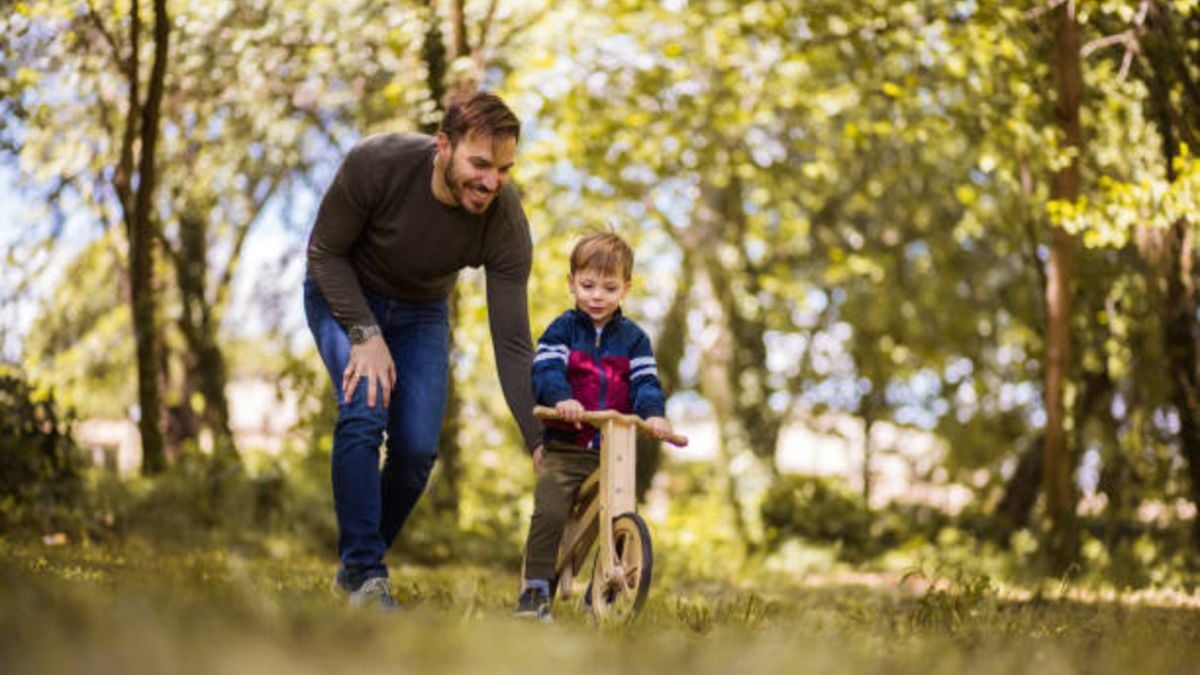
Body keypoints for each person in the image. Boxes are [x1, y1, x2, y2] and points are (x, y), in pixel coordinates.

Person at [304, 91, 542, 608]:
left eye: (503, 168)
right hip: (343, 292)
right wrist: (364, 334)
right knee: (365, 410)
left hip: (420, 313)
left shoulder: (502, 217)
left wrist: (538, 438)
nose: (491, 181)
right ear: (443, 147)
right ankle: (368, 575)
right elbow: (324, 251)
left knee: (414, 453)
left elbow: (512, 342)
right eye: (480, 163)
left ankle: (353, 569)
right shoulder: (379, 162)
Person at [514, 230, 673, 621]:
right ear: (571, 284)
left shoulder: (635, 340)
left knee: (622, 510)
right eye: (587, 285)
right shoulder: (561, 330)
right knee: (550, 510)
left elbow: (646, 384)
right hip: (567, 447)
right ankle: (534, 592)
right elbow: (547, 369)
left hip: (613, 448)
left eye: (609, 287)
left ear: (626, 289)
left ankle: (601, 594)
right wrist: (560, 399)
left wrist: (653, 414)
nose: (597, 295)